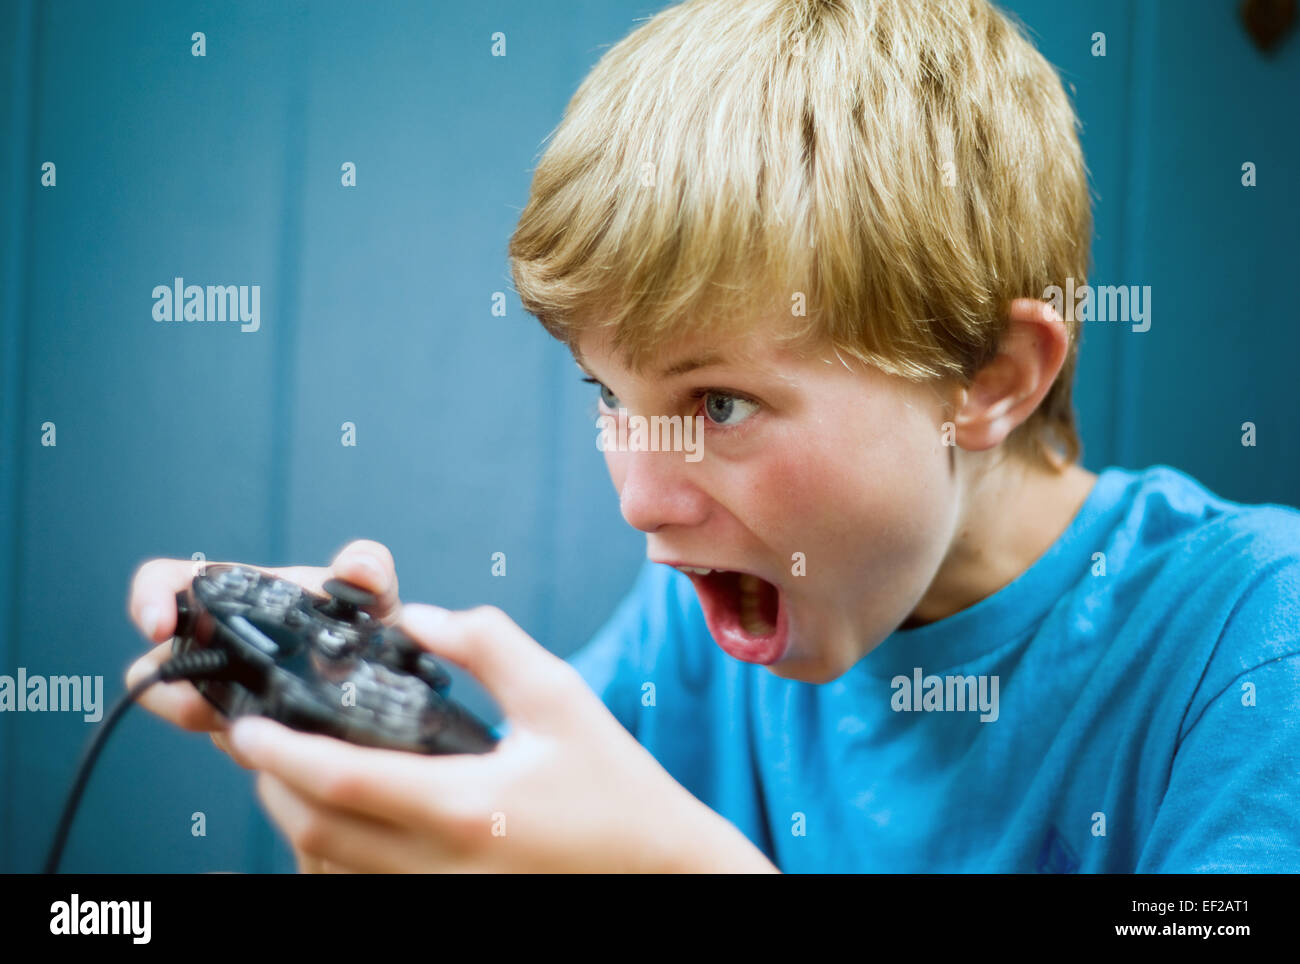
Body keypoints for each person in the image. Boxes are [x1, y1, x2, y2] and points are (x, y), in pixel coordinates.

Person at [126, 0, 1300, 872]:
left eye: (716, 404)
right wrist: (392, 782)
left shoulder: (1252, 644)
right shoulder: (704, 638)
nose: (638, 498)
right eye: (606, 395)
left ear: (988, 380)